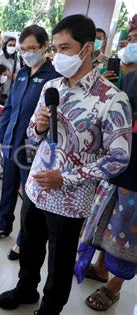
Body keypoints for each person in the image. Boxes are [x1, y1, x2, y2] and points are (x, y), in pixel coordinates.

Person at [0, 15, 132, 315]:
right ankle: (25, 288)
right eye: (55, 48)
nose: (58, 55)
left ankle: (51, 306)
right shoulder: (52, 86)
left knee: (60, 260)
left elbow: (119, 159)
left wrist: (67, 178)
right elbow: (32, 135)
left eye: (65, 48)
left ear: (87, 49)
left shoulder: (112, 99)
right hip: (36, 187)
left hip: (70, 200)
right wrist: (40, 126)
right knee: (29, 245)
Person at [75, 16, 137, 312]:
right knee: (106, 215)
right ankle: (100, 266)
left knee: (127, 224)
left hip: (136, 165)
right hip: (112, 159)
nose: (134, 41)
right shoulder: (119, 68)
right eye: (133, 35)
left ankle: (116, 283)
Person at [0, 25, 61, 262]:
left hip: (33, 147)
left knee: (29, 195)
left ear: (45, 46)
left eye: (32, 48)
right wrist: (0, 138)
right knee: (8, 186)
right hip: (11, 141)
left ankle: (22, 240)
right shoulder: (21, 74)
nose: (27, 53)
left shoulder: (53, 76)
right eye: (23, 49)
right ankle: (3, 224)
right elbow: (9, 108)